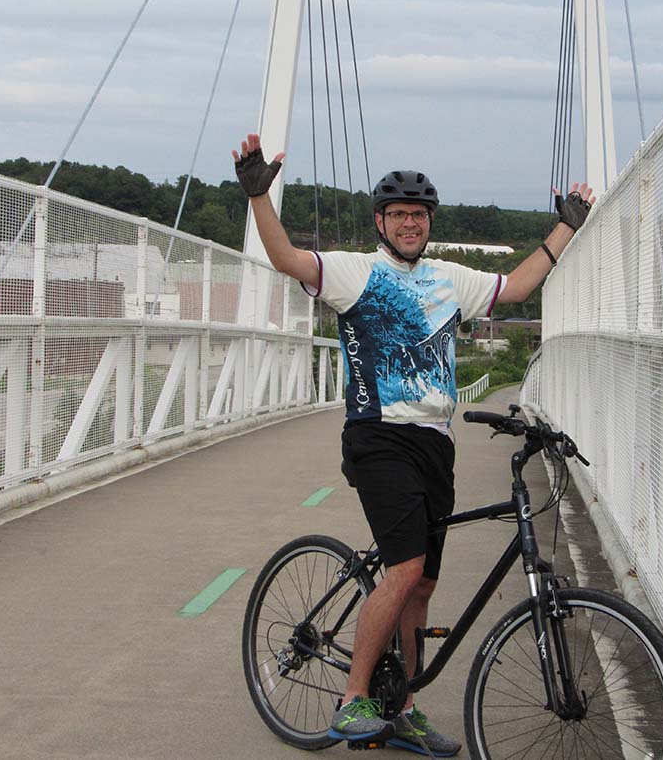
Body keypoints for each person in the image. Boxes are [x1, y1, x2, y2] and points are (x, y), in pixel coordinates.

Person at [233, 133, 594, 756]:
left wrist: (564, 229)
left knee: (422, 585)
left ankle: (403, 710)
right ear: (380, 222)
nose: (409, 222)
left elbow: (516, 289)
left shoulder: (448, 278)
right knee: (401, 571)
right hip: (378, 439)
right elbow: (289, 259)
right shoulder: (355, 273)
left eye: (419, 215)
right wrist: (260, 197)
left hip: (435, 444)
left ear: (429, 223)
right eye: (398, 214)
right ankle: (353, 702)